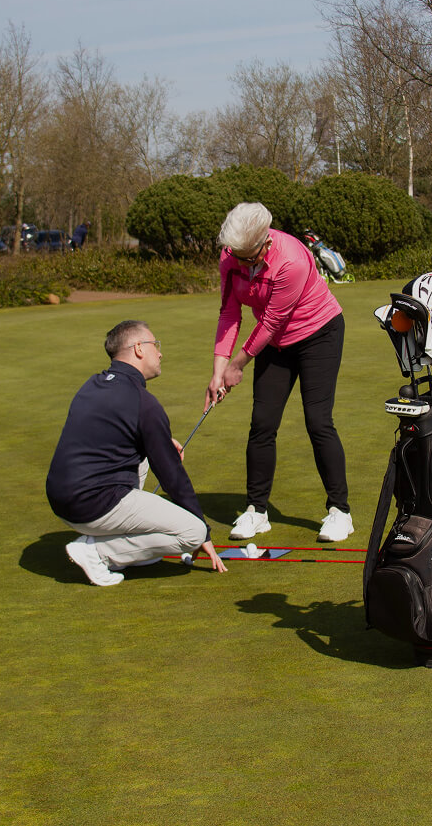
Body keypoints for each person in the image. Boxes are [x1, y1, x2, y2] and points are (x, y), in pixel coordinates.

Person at [206, 203, 352, 543]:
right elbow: (229, 313)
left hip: (319, 334)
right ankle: (257, 511)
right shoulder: (231, 258)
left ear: (265, 242)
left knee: (318, 421)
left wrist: (237, 365)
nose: (242, 264)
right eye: (237, 256)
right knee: (262, 423)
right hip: (274, 344)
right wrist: (217, 372)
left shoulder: (293, 260)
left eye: (249, 257)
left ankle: (340, 512)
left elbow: (272, 321)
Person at [46, 320, 226, 586]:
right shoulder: (144, 404)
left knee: (142, 458)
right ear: (139, 348)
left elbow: (105, 434)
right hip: (93, 503)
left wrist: (159, 441)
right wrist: (204, 533)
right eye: (156, 345)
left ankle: (121, 542)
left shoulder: (93, 384)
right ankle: (97, 552)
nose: (160, 353)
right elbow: (172, 477)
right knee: (192, 532)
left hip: (61, 499)